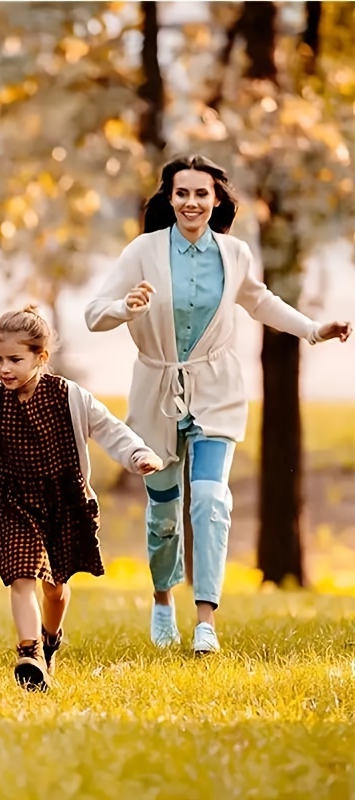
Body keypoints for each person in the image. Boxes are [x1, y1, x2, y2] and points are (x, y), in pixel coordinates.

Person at [84, 154, 352, 655]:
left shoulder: (234, 254)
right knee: (164, 512)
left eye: (201, 194)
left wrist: (314, 330)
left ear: (216, 200)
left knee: (210, 500)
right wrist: (126, 308)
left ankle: (206, 618)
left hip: (216, 390)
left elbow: (261, 302)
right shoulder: (142, 251)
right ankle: (163, 598)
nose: (191, 202)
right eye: (182, 193)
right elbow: (93, 314)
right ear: (169, 198)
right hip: (157, 390)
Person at [0, 307, 162, 691]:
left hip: (62, 501)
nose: (4, 368)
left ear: (40, 358)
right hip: (12, 500)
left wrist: (138, 455)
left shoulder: (70, 396)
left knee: (56, 588)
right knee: (21, 575)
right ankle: (29, 652)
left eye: (15, 359)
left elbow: (109, 427)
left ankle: (49, 640)